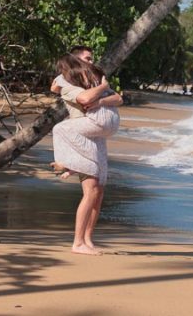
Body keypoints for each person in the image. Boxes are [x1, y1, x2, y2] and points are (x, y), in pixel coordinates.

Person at [50, 46, 123, 255]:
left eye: (92, 59)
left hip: (94, 135)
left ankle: (88, 239)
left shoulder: (93, 79)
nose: (92, 62)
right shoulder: (66, 80)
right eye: (87, 59)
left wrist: (101, 96)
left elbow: (118, 99)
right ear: (76, 60)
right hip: (80, 134)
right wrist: (102, 88)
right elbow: (84, 99)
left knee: (98, 192)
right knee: (90, 191)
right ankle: (78, 243)